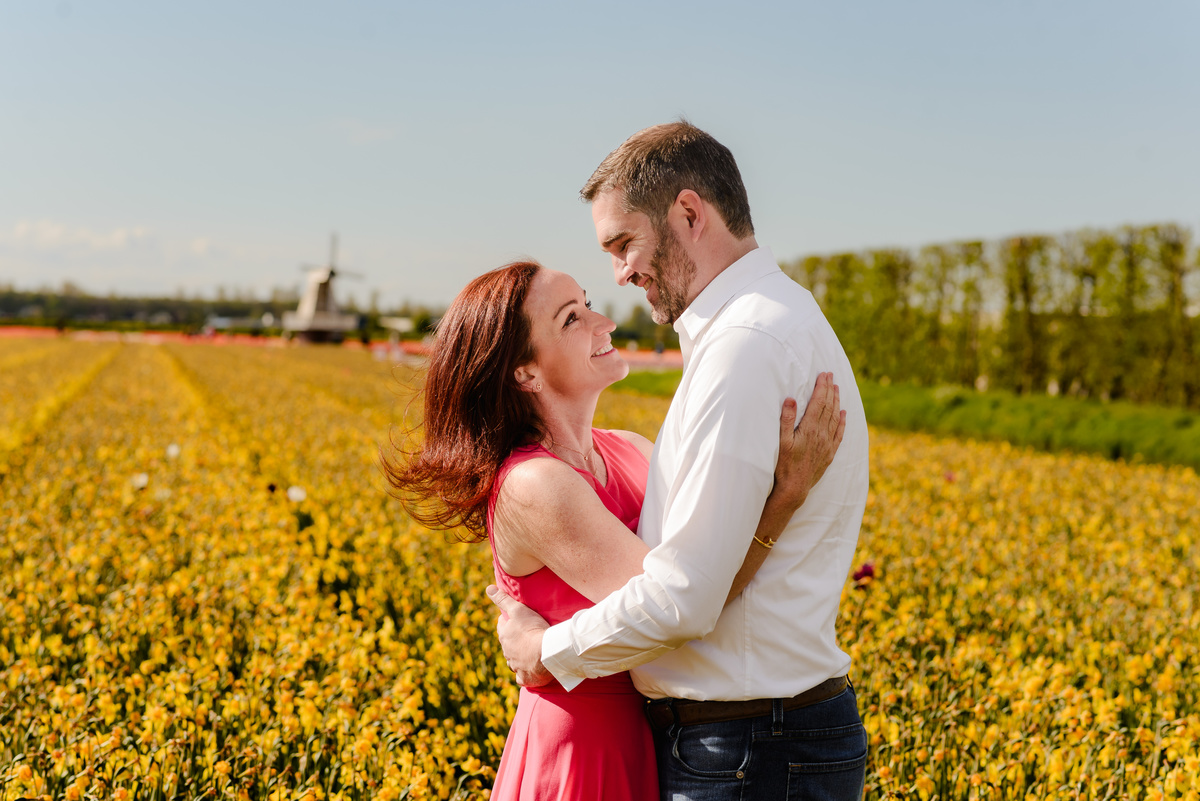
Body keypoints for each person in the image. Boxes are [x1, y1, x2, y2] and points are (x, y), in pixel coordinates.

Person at [489, 122, 871, 800]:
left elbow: (684, 596)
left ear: (689, 213)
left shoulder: (742, 346)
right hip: (760, 739)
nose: (621, 274)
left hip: (749, 747)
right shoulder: (773, 319)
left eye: (624, 243)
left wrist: (545, 652)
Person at [383, 260, 846, 800]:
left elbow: (700, 572)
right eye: (571, 319)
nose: (604, 323)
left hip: (650, 734)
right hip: (583, 749)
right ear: (525, 373)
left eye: (588, 303)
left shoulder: (631, 447)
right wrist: (784, 498)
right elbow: (684, 600)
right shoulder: (533, 484)